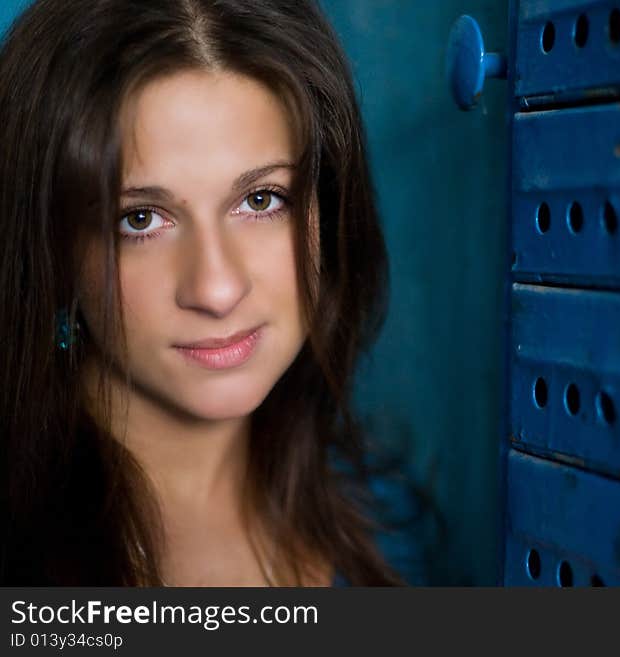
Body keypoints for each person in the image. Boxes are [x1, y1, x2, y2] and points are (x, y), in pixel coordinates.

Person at [0, 0, 405, 586]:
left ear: (328, 209)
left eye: (261, 200)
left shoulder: (387, 520)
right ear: (54, 247)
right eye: (139, 220)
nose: (216, 289)